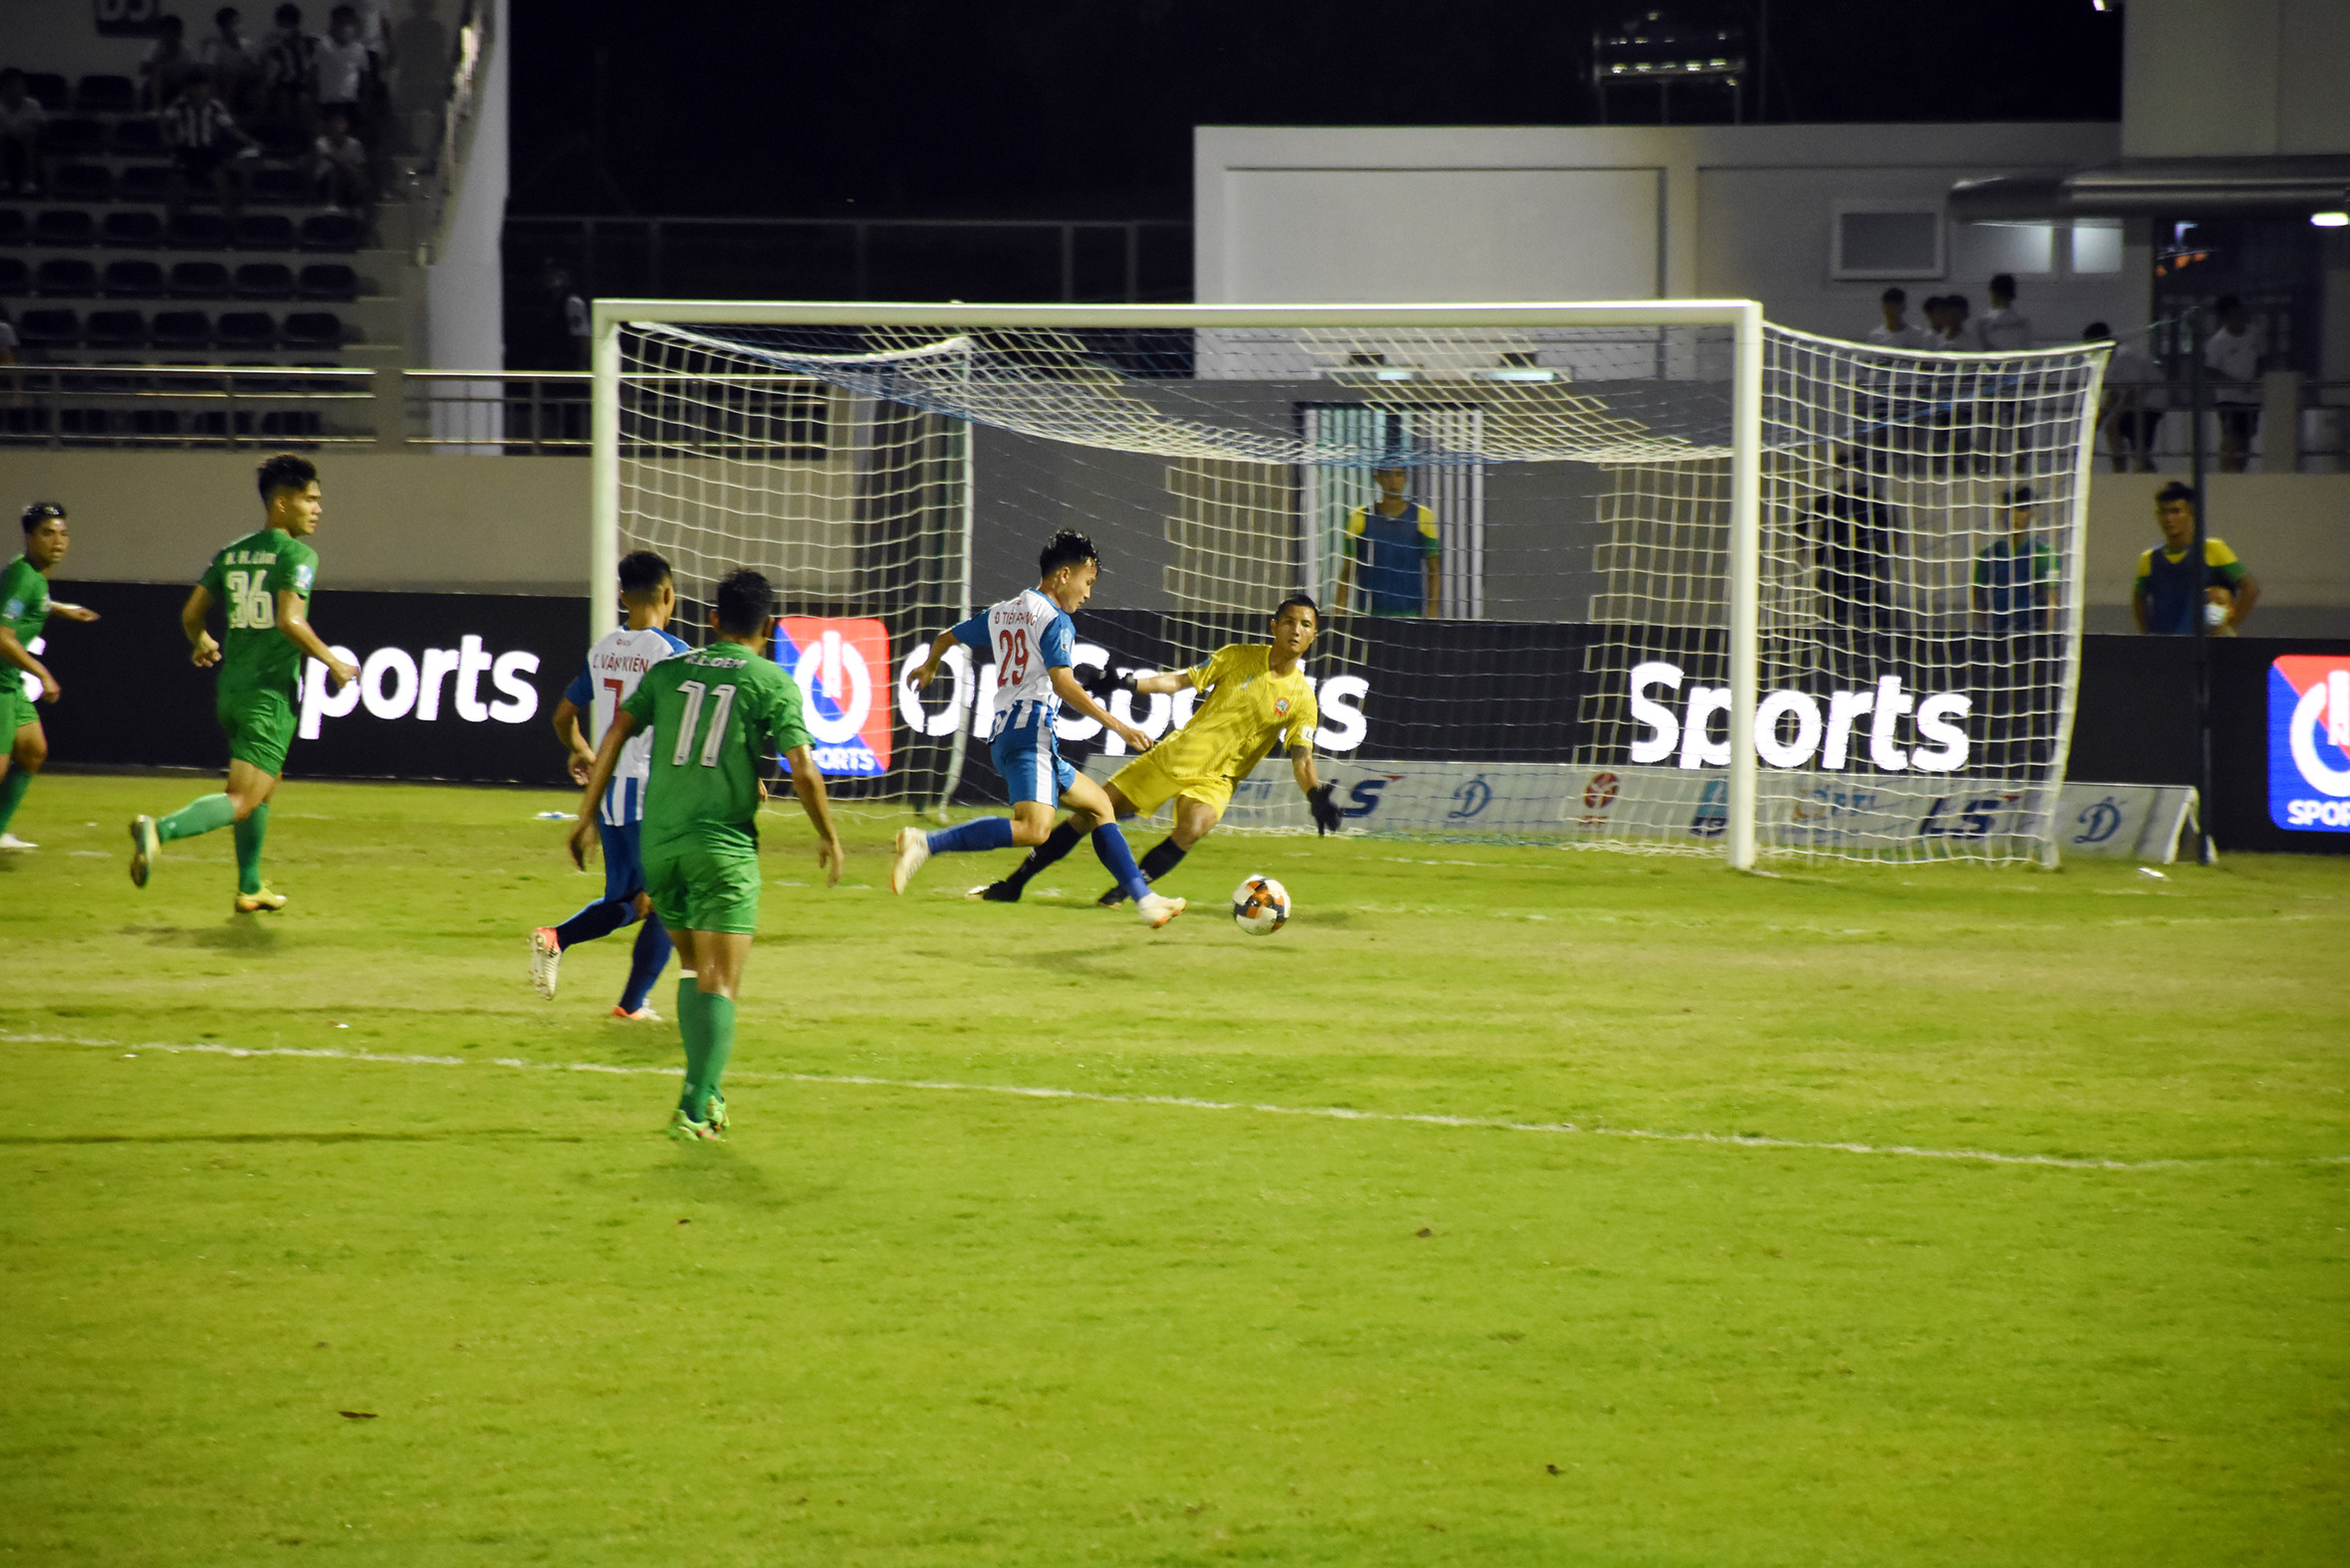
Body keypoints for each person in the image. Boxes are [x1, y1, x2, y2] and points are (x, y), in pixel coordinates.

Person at [567, 567, 845, 1142]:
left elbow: (615, 733)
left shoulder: (669, 671)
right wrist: (829, 835)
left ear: (714, 620)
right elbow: (803, 766)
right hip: (721, 848)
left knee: (695, 970)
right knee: (721, 981)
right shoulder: (771, 680)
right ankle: (693, 1108)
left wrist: (586, 815)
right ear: (768, 627)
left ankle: (709, 1094)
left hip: (660, 846)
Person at [974, 594, 1344, 906]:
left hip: (1219, 780)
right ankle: (1015, 883)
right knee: (1091, 813)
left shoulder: (1303, 700)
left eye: (1306, 625)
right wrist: (1124, 682)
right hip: (1176, 756)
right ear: (1273, 625)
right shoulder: (1238, 656)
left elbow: (1302, 758)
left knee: (1195, 826)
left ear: (1313, 636)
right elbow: (1178, 681)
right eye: (1290, 621)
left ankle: (1123, 892)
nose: (1296, 629)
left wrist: (1314, 793)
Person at [893, 530, 1184, 929]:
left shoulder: (1004, 610)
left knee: (1099, 805)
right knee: (1035, 830)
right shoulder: (1056, 619)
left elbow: (947, 637)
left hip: (1008, 733)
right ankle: (925, 842)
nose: (1088, 594)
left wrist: (930, 664)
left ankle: (1145, 899)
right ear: (1064, 575)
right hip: (1031, 732)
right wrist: (1120, 725)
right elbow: (1064, 683)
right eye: (1088, 582)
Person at [128, 455, 358, 907]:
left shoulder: (232, 551)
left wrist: (201, 640)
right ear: (281, 503)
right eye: (309, 500)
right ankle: (160, 830)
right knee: (242, 796)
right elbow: (291, 621)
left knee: (264, 787)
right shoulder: (297, 555)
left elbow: (191, 614)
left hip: (232, 689)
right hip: (267, 695)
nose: (318, 509)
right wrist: (335, 662)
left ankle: (250, 886)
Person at [530, 549, 690, 1021]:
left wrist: (581, 748)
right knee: (667, 899)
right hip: (650, 794)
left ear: (621, 595)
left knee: (630, 901)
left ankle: (557, 939)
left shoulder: (603, 650)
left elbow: (563, 715)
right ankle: (631, 1003)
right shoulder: (673, 654)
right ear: (669, 595)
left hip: (610, 794)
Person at [0, 503, 100, 851]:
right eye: (48, 532)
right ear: (29, 538)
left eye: (64, 533)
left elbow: (34, 602)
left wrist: (63, 609)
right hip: (0, 684)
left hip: (9, 682)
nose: (58, 541)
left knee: (32, 751)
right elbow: (2, 636)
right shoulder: (23, 575)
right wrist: (43, 674)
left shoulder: (34, 576)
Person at [2134, 482, 2258, 636]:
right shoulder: (2149, 559)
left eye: (2176, 511)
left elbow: (2250, 588)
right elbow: (2138, 599)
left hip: (2199, 648)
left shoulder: (2212, 549)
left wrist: (2229, 629)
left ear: (2191, 513)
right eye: (2163, 512)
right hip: (2163, 648)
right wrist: (2146, 635)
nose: (2169, 518)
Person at [1337, 466, 1440, 618]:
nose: (1393, 481)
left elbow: (1434, 568)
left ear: (1405, 478)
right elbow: (1347, 571)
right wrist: (1339, 611)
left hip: (1410, 615)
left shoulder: (1423, 516)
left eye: (1399, 474)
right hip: (1368, 616)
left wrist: (1432, 610)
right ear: (1378, 478)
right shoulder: (1359, 517)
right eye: (1387, 475)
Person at [163, 71, 262, 220]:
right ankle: (175, 222)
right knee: (175, 185)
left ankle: (230, 223)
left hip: (207, 152)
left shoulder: (215, 106)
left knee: (223, 185)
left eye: (204, 87)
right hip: (185, 151)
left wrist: (250, 142)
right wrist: (167, 137)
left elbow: (231, 128)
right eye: (198, 87)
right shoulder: (180, 104)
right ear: (190, 88)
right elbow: (166, 122)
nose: (202, 91)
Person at [1972, 486, 2056, 636]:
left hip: (2031, 634)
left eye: (2021, 509)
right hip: (1997, 634)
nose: (2015, 516)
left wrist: (2045, 638)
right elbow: (1979, 598)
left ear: (2031, 514)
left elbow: (2050, 600)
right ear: (2001, 512)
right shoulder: (1988, 554)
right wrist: (1989, 631)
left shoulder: (2044, 553)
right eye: (2010, 509)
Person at [2088, 322, 2164, 474]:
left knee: (2126, 434)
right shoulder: (2106, 360)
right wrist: (2101, 416)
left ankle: (2141, 468)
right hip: (2133, 402)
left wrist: (2117, 414)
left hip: (2149, 402)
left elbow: (2134, 389)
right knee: (2112, 428)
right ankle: (2120, 468)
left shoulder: (2125, 356)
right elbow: (2114, 393)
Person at [2205, 294, 2261, 474]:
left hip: (2251, 399)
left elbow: (2261, 359)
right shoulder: (2217, 342)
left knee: (2245, 441)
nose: (2236, 319)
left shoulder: (2254, 334)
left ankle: (2238, 472)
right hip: (2228, 399)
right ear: (2223, 318)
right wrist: (2236, 383)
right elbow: (2211, 370)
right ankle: (2226, 473)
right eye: (2231, 316)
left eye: (2238, 314)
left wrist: (2254, 379)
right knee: (2231, 438)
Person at [263, 3, 321, 141]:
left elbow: (315, 65)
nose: (283, 27)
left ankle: (305, 141)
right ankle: (284, 140)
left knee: (304, 103)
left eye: (286, 23)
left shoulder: (309, 40)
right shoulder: (274, 41)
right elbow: (269, 66)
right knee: (284, 104)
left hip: (304, 83)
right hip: (284, 82)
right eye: (281, 23)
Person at [314, 6, 371, 136]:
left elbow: (366, 79)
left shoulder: (359, 49)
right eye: (341, 22)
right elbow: (313, 74)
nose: (345, 27)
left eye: (348, 23)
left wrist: (365, 104)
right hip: (327, 102)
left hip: (350, 103)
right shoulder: (323, 47)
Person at [200, 8, 264, 115]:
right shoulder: (214, 46)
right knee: (229, 77)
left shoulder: (247, 45)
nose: (237, 27)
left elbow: (256, 68)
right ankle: (223, 114)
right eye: (234, 23)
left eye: (238, 23)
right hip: (223, 81)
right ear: (223, 26)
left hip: (244, 80)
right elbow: (210, 71)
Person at [0, 69, 46, 198]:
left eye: (21, 84)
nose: (20, 88)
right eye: (15, 85)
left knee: (30, 136)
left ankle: (29, 182)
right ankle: (4, 181)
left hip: (28, 140)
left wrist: (31, 130)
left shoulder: (33, 104)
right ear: (5, 88)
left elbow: (42, 126)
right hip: (5, 141)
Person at [310, 107, 367, 208]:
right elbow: (333, 159)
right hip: (323, 183)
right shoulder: (321, 142)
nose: (337, 125)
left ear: (346, 125)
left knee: (358, 177)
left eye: (340, 122)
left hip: (347, 181)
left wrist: (353, 173)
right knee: (335, 171)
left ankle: (356, 205)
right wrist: (349, 168)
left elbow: (360, 169)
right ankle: (331, 203)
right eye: (334, 122)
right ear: (329, 125)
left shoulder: (355, 144)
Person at [141, 15, 199, 110]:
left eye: (174, 32)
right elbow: (142, 70)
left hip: (179, 85)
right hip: (159, 85)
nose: (171, 36)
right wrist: (163, 58)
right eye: (168, 32)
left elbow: (195, 73)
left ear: (179, 33)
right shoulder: (155, 47)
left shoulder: (187, 51)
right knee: (159, 70)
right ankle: (157, 109)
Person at [1976, 274, 2033, 352]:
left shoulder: (2022, 321)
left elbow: (2026, 346)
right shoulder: (1984, 322)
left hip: (2017, 361)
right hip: (1995, 362)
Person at [1865, 287, 1933, 350]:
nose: (1892, 310)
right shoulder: (1876, 336)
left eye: (1895, 306)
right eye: (1889, 306)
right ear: (1883, 308)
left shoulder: (1916, 335)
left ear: (1903, 307)